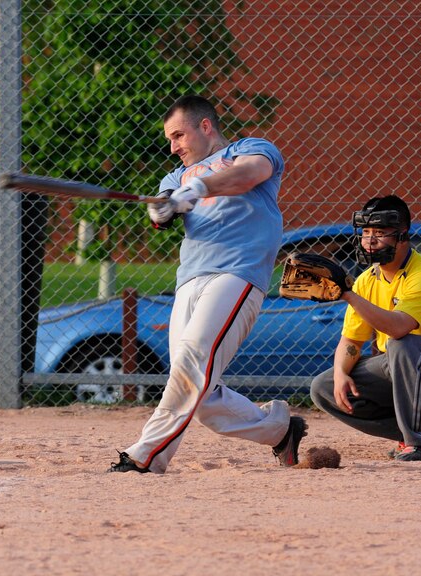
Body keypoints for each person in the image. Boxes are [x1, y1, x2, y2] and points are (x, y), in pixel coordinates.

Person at [108, 95, 307, 474]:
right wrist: (163, 207)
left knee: (193, 363)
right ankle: (280, 430)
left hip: (237, 274)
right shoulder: (174, 178)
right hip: (190, 280)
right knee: (201, 394)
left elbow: (247, 176)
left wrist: (198, 188)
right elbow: (164, 209)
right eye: (170, 139)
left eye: (179, 135)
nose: (174, 146)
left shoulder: (250, 149)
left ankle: (145, 456)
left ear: (205, 126)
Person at [309, 195, 421, 461]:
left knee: (402, 344)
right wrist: (342, 374)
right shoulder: (366, 280)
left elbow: (399, 328)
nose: (370, 240)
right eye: (366, 232)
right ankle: (410, 429)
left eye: (380, 232)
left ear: (403, 235)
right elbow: (351, 341)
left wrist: (348, 295)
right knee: (323, 386)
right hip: (402, 365)